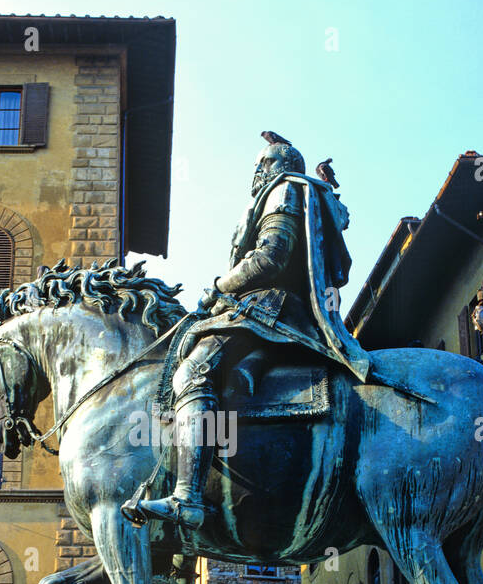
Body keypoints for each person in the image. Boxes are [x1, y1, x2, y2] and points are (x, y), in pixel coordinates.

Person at [127, 133, 369, 532]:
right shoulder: (293, 191)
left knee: (193, 371)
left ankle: (187, 495)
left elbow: (271, 258)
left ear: (281, 166)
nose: (256, 172)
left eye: (263, 164)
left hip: (269, 307)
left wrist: (221, 285)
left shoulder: (284, 190)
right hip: (270, 309)